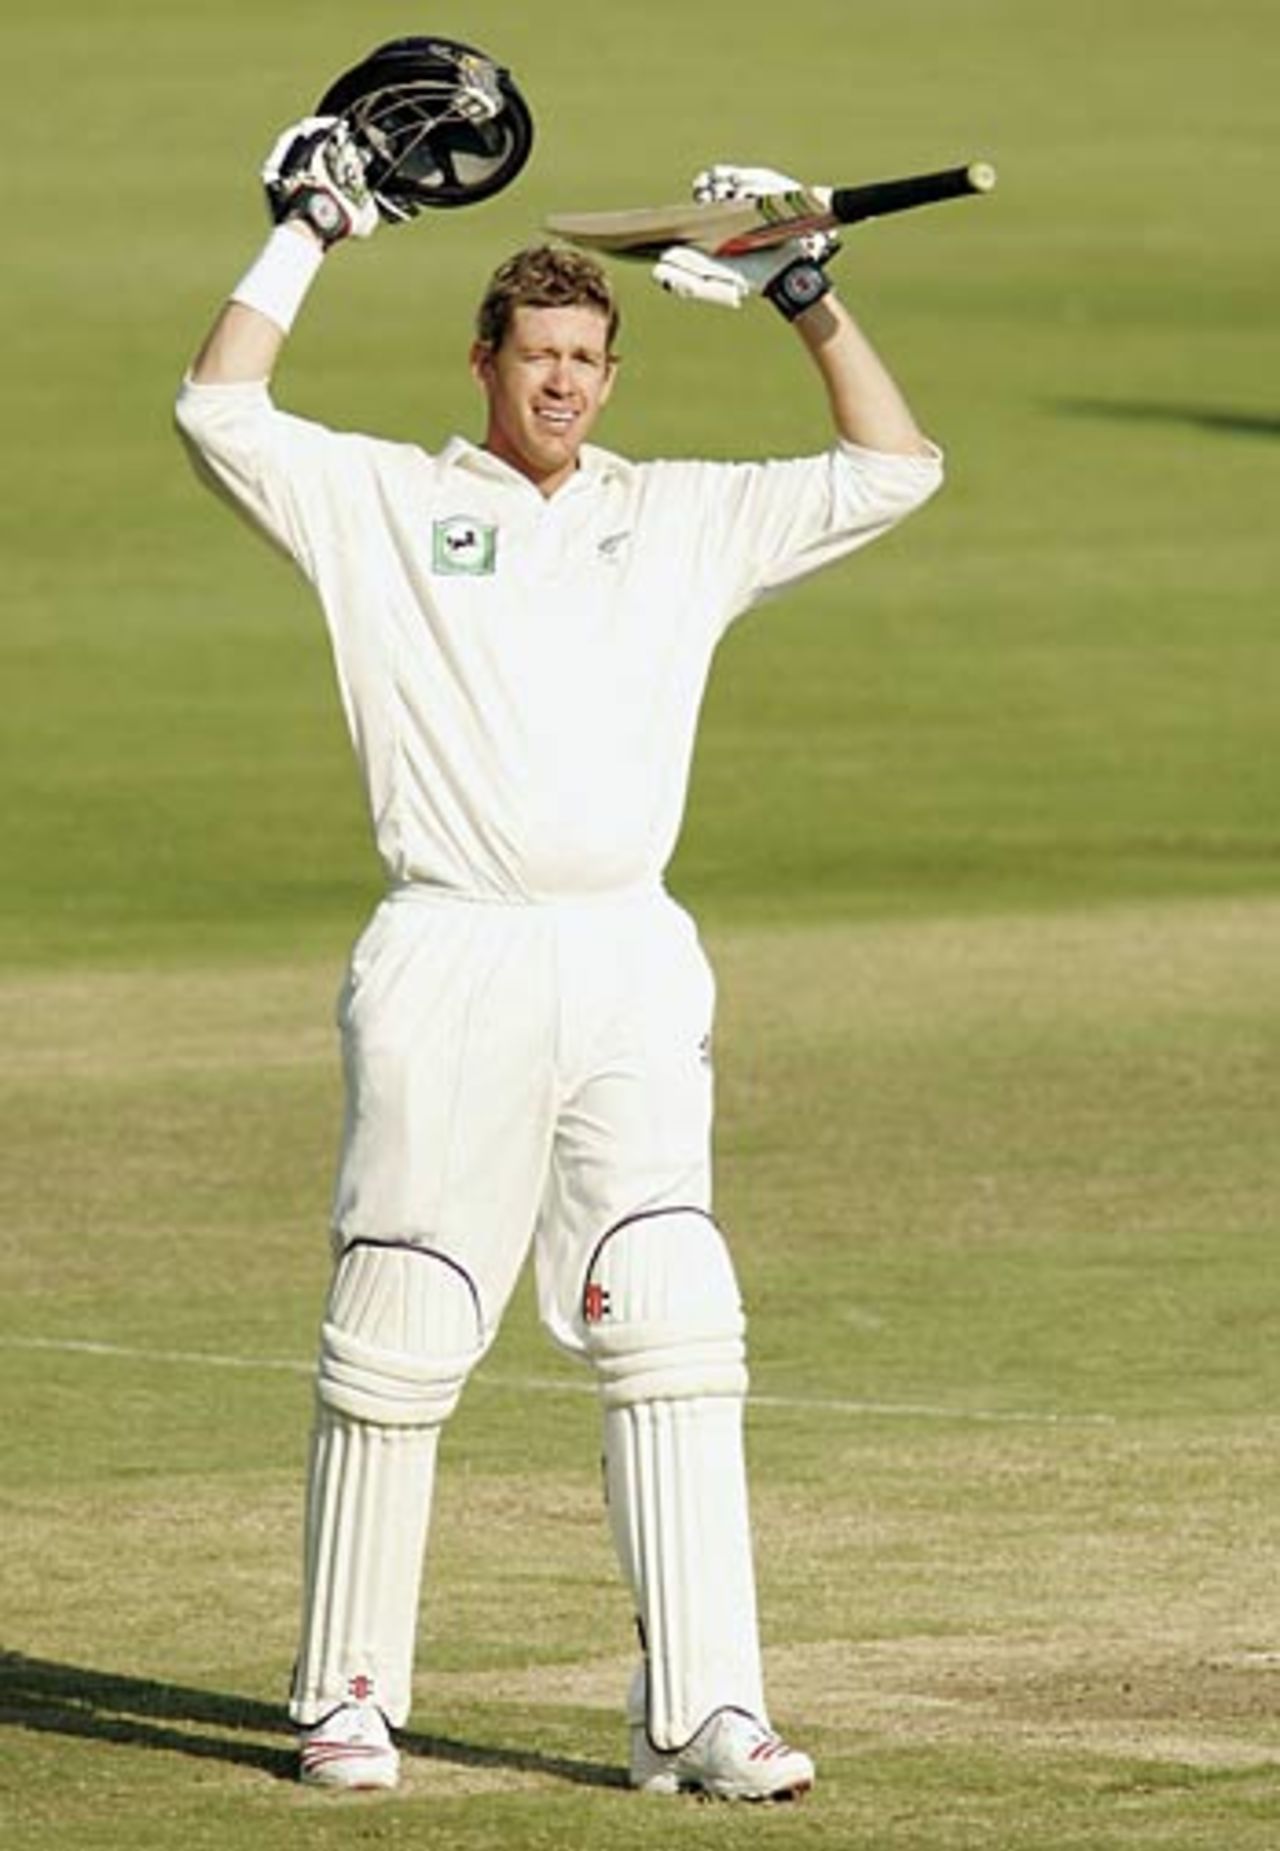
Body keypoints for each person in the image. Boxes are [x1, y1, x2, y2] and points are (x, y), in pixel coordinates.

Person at [175, 116, 943, 1803]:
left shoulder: (677, 520)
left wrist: (805, 293)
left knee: (671, 1314)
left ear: (614, 372)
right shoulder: (381, 500)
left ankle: (700, 1712)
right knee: (400, 1322)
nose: (566, 386)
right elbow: (216, 411)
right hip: (448, 946)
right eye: (539, 357)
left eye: (590, 360)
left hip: (628, 957)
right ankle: (350, 1695)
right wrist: (308, 229)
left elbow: (896, 468)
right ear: (486, 363)